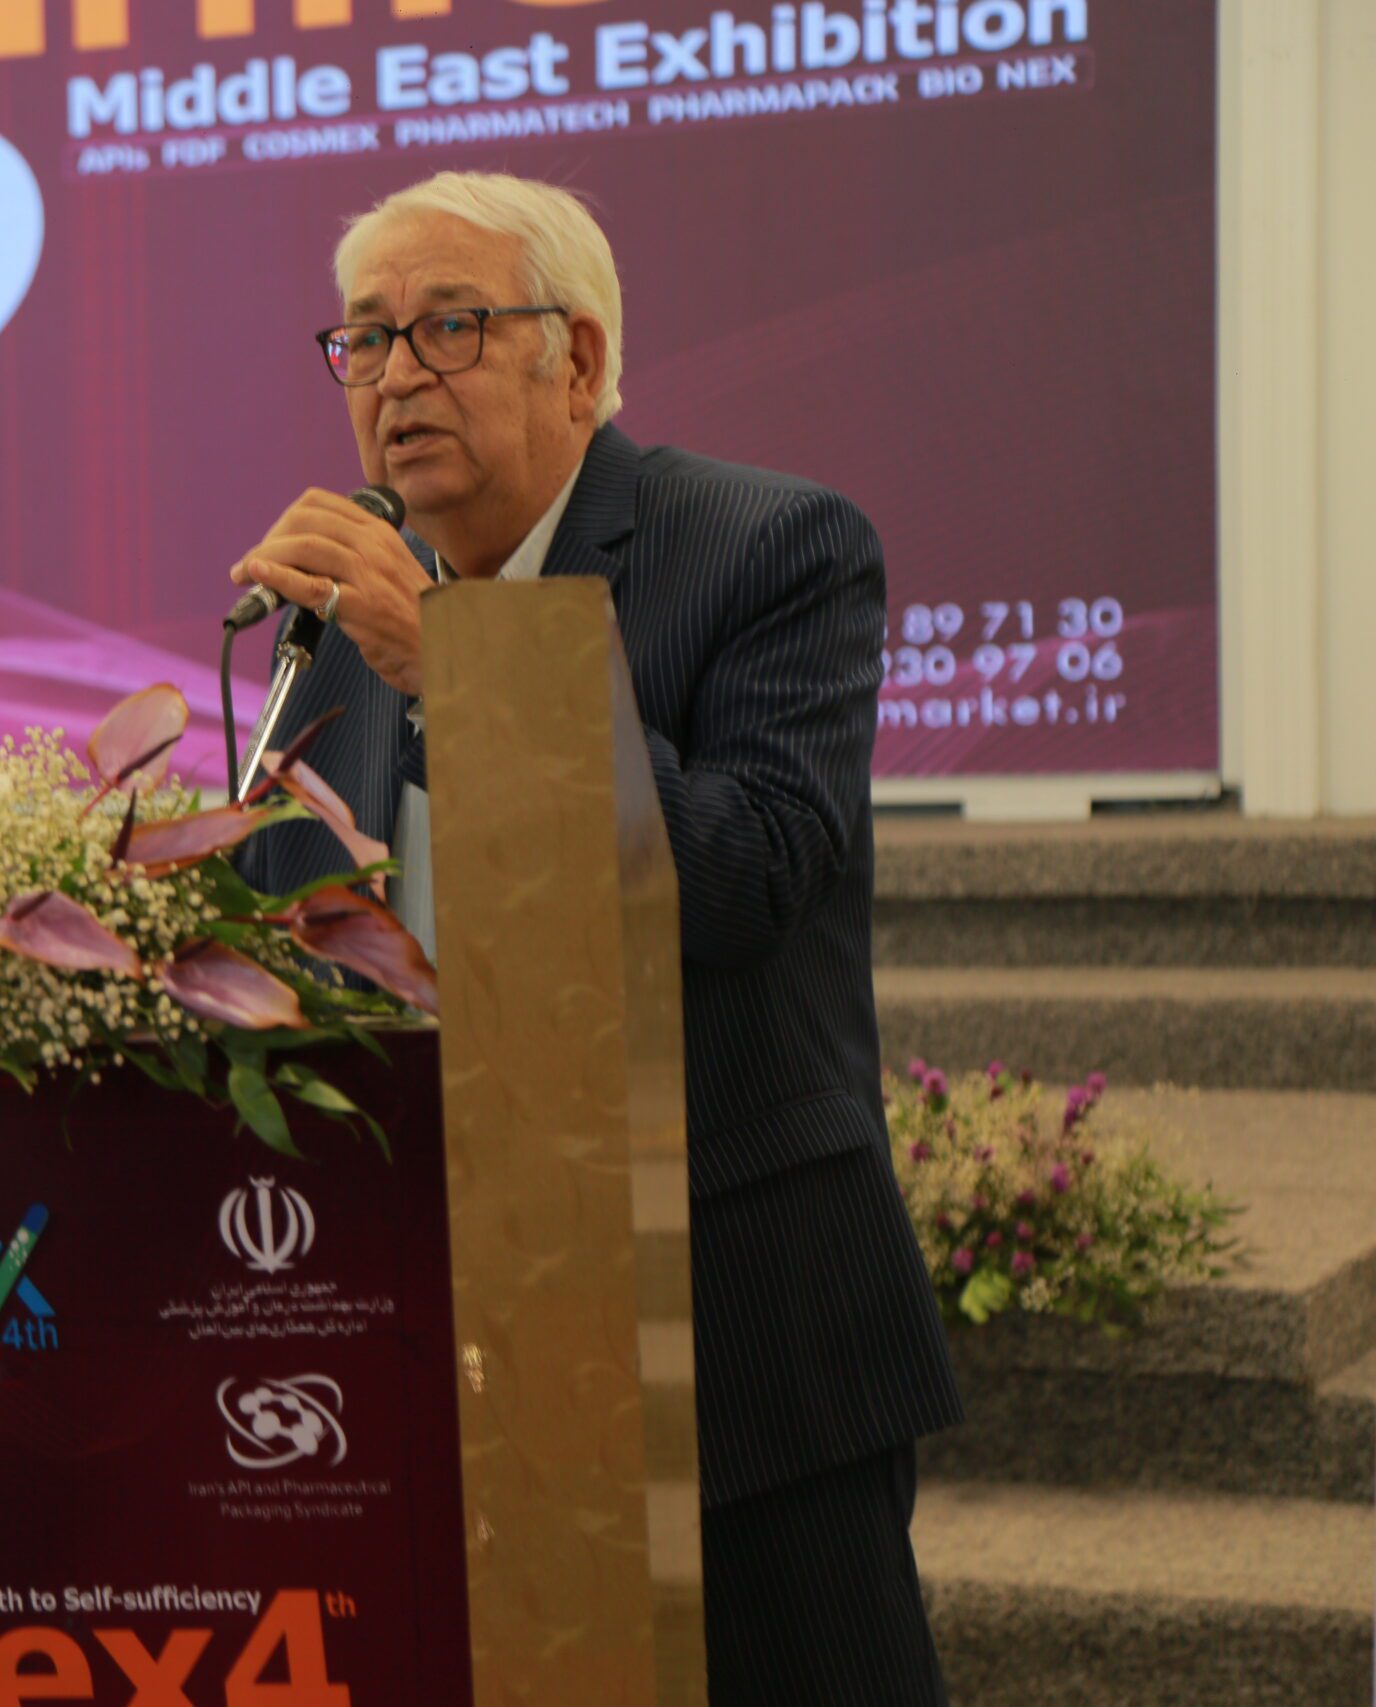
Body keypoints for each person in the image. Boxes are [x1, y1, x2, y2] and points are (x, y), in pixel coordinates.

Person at [231, 173, 964, 1704]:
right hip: (430, 1332)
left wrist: (455, 668)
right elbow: (293, 943)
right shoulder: (345, 627)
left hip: (729, 1335)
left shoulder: (769, 546)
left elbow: (747, 874)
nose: (395, 378)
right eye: (365, 340)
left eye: (448, 327)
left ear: (575, 359)